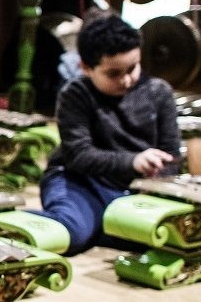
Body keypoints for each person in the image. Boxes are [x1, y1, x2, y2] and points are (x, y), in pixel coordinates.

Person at [37, 13, 181, 255]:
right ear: (86, 68)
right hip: (81, 182)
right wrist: (133, 162)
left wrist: (159, 178)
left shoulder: (159, 93)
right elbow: (79, 155)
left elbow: (171, 155)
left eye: (133, 68)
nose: (126, 80)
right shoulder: (75, 94)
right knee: (70, 232)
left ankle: (101, 226)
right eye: (114, 74)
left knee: (169, 235)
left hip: (134, 190)